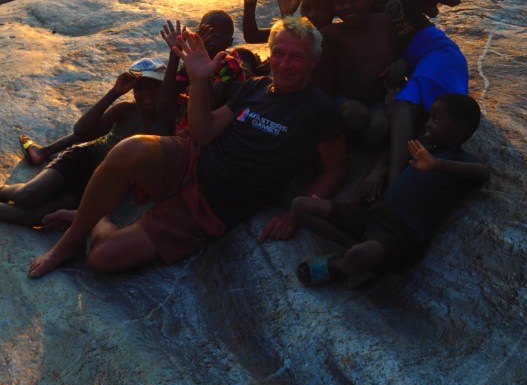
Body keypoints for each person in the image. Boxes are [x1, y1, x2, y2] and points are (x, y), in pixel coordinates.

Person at [27, 17, 348, 279]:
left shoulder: (319, 110)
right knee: (130, 148)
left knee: (102, 257)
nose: (285, 64)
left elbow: (335, 169)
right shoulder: (255, 88)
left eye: (296, 57)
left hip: (215, 205)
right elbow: (204, 133)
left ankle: (94, 219)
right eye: (279, 53)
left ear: (314, 61)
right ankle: (70, 242)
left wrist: (297, 213)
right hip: (194, 159)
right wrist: (197, 81)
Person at [0, 58, 168, 227]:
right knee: (26, 197)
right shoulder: (126, 110)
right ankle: (1, 191)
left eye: (154, 87)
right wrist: (114, 93)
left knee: (32, 218)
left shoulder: (171, 122)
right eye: (140, 87)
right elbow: (82, 131)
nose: (145, 93)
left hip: (98, 181)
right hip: (83, 159)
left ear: (165, 88)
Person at [292, 93, 486, 287]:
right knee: (300, 206)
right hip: (373, 217)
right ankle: (355, 251)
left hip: (399, 237)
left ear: (459, 131)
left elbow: (482, 172)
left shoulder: (459, 161)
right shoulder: (423, 148)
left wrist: (436, 164)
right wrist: (376, 172)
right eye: (429, 118)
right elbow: (392, 150)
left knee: (359, 256)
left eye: (436, 120)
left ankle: (339, 265)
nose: (428, 124)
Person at [359, 0, 468, 202]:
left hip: (435, 52)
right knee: (416, 117)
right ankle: (390, 174)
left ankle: (394, 185)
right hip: (411, 64)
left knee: (403, 107)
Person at [312, 0, 402, 147]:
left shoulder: (384, 22)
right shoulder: (331, 33)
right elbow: (320, 78)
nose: (347, 6)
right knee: (356, 113)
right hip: (344, 100)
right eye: (340, 2)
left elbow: (398, 51)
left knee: (379, 124)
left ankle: (365, 152)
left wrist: (401, 63)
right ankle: (346, 148)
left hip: (377, 102)